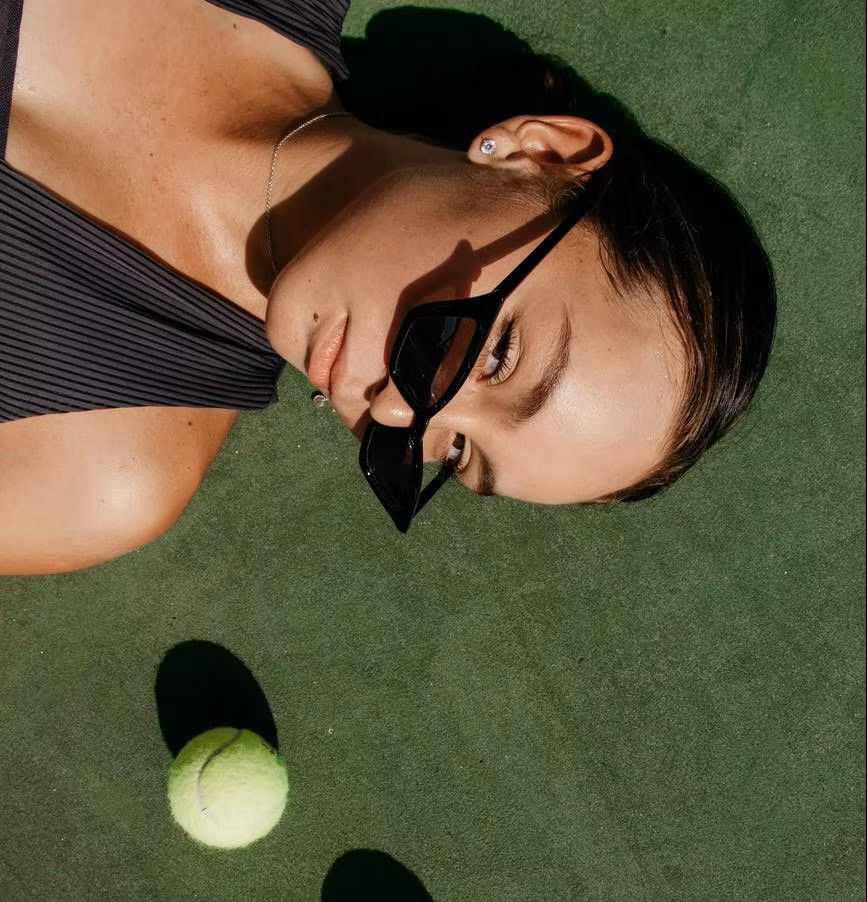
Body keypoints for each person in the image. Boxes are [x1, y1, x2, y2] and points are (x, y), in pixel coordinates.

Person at [0, 0, 776, 575]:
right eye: (497, 353)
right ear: (539, 153)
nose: (396, 409)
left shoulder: (96, 468)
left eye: (452, 450)